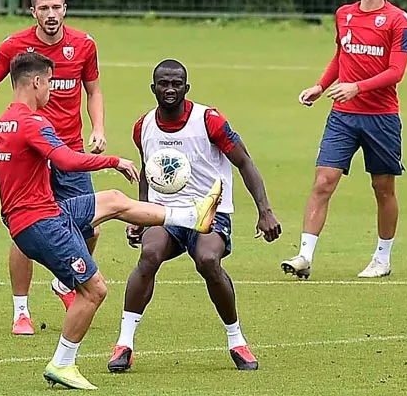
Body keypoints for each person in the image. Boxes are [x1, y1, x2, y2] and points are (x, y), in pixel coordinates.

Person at [0, 52, 222, 390]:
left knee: (113, 200)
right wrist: (113, 160)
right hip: (42, 225)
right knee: (94, 290)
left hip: (45, 214)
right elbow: (66, 160)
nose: (51, 92)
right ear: (37, 82)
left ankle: (191, 216)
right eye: (50, 84)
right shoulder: (33, 123)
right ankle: (63, 363)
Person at [107, 59, 281, 373]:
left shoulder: (209, 120)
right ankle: (124, 344)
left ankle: (236, 339)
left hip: (209, 211)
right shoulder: (143, 125)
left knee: (208, 261)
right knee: (149, 254)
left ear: (187, 88)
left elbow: (244, 162)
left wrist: (264, 211)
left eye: (176, 84)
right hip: (166, 214)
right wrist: (140, 212)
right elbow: (150, 171)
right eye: (163, 84)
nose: (170, 89)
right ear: (153, 88)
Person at [0, 0, 106, 335]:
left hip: (69, 148)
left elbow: (93, 90)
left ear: (65, 8)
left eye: (56, 8)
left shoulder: (83, 44)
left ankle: (65, 283)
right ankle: (21, 310)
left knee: (90, 226)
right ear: (33, 11)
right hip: (26, 150)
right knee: (25, 232)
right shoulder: (15, 46)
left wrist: (98, 128)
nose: (51, 15)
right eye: (43, 8)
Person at [281, 0, 407, 280]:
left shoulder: (398, 20)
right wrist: (321, 86)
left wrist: (357, 87)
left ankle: (382, 257)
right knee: (323, 182)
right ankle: (304, 256)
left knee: (383, 189)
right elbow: (341, 56)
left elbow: (396, 71)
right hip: (342, 115)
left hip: (381, 117)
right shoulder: (344, 14)